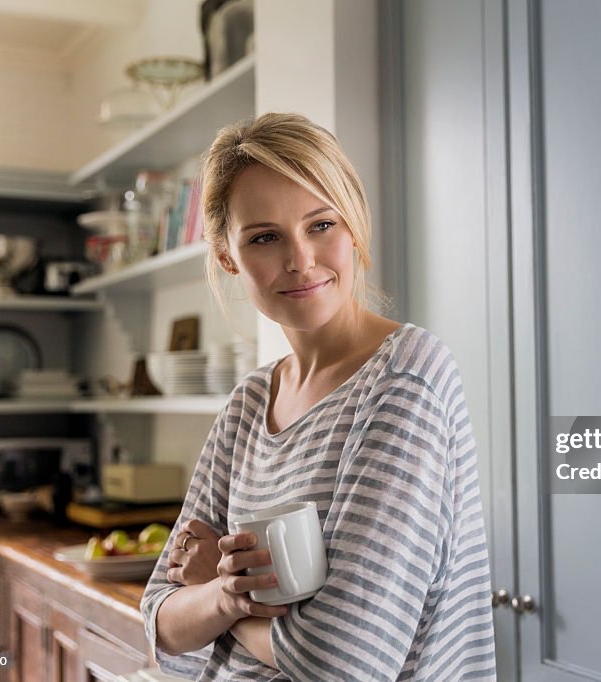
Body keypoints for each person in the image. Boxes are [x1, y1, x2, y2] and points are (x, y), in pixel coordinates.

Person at [140, 112, 497, 681]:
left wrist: (213, 594)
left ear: (353, 225)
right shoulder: (249, 404)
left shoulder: (405, 378)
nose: (300, 259)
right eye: (264, 237)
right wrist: (230, 598)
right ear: (228, 256)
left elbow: (342, 662)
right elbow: (159, 623)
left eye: (321, 225)